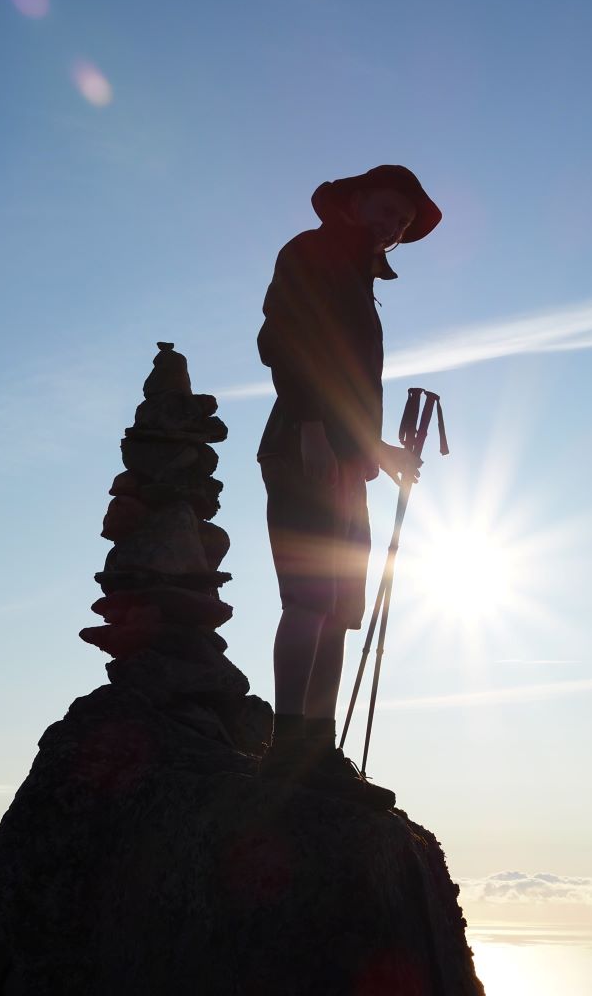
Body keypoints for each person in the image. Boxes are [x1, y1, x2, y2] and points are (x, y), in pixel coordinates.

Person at [256, 164, 442, 808]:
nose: (391, 227)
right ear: (355, 199)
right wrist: (310, 425)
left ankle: (317, 750)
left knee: (337, 610)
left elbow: (346, 384)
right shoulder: (313, 252)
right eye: (386, 211)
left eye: (401, 223)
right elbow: (285, 338)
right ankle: (287, 747)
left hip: (344, 463)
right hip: (302, 452)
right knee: (310, 600)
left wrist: (381, 452)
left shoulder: (359, 278)